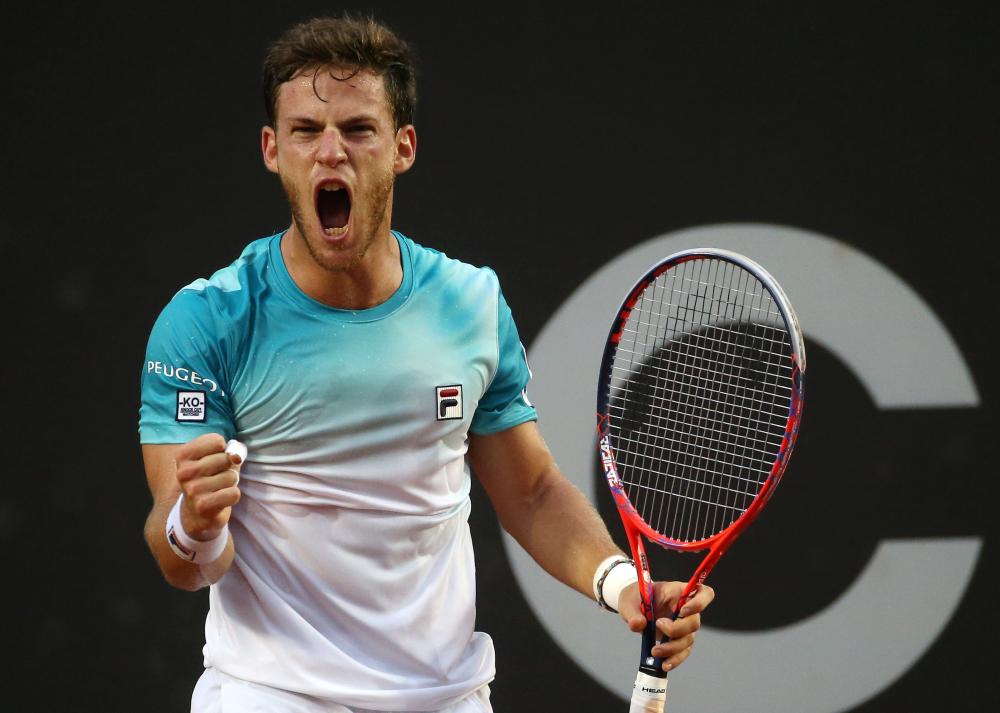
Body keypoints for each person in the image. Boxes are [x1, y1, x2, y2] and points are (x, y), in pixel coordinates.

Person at [139, 14, 714, 713]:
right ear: (272, 149)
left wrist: (623, 583)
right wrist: (195, 522)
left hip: (443, 695)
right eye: (305, 131)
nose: (331, 153)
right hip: (269, 693)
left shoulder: (470, 302)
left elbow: (530, 492)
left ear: (402, 146)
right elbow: (186, 561)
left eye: (357, 129)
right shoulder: (207, 322)